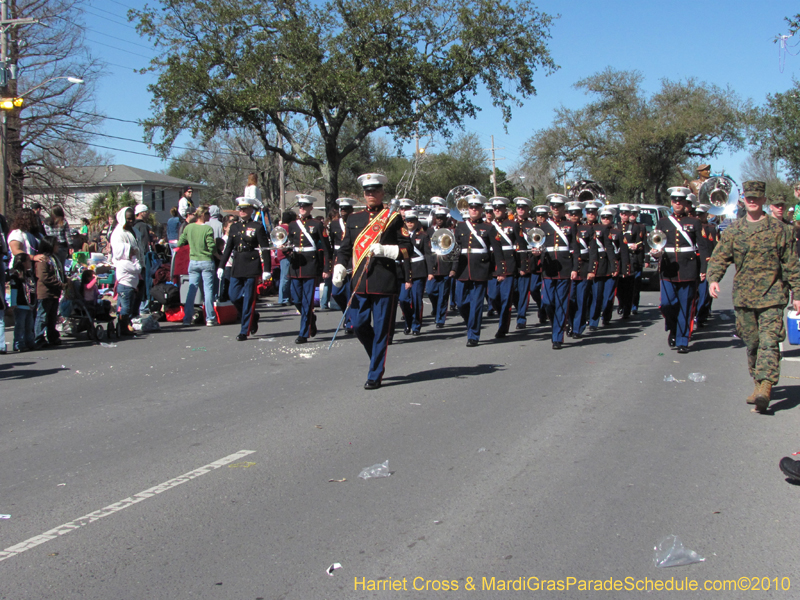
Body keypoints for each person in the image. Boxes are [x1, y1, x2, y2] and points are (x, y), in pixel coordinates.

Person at [707, 180, 800, 413]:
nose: (752, 201)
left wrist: (797, 293)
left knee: (770, 342)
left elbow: (791, 264)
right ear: (744, 199)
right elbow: (719, 257)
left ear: (763, 201)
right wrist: (714, 279)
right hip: (744, 298)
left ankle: (765, 387)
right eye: (749, 197)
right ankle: (758, 382)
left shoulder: (780, 230)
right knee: (753, 343)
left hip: (773, 296)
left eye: (757, 198)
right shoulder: (735, 230)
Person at [334, 173, 411, 389]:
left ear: (382, 192)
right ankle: (376, 358)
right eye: (367, 191)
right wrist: (339, 265)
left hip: (384, 282)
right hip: (359, 281)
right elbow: (345, 248)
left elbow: (408, 249)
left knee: (381, 331)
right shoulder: (354, 219)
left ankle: (375, 374)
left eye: (375, 191)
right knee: (358, 324)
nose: (371, 194)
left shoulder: (393, 217)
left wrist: (387, 250)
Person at [650, 187, 709, 354]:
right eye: (674, 200)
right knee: (667, 304)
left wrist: (703, 269)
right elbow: (657, 243)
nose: (677, 203)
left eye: (680, 200)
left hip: (688, 269)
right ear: (671, 202)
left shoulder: (694, 222)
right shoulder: (663, 222)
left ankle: (683, 339)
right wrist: (656, 254)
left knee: (686, 306)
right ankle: (673, 326)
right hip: (668, 269)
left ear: (685, 203)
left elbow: (703, 248)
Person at [450, 194, 504, 347]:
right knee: (460, 303)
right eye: (471, 207)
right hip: (462, 270)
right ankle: (470, 324)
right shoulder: (460, 226)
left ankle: (473, 335)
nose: (474, 210)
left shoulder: (489, 228)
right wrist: (453, 269)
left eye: (477, 207)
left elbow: (498, 251)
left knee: (476, 304)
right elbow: (456, 249)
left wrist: (500, 270)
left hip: (480, 270)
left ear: (481, 209)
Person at [219, 197, 271, 341]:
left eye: (244, 209)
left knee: (248, 299)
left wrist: (267, 269)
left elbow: (265, 249)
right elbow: (228, 247)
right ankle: (252, 316)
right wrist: (221, 266)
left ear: (251, 210)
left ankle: (244, 330)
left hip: (251, 264)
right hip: (237, 264)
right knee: (233, 296)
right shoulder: (234, 227)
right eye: (240, 209)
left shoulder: (257, 226)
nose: (241, 211)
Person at [285, 195, 330, 343]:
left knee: (306, 301)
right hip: (296, 265)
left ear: (311, 207)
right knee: (296, 298)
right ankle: (311, 318)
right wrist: (286, 250)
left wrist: (326, 268)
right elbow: (289, 244)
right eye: (300, 206)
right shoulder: (292, 225)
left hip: (310, 266)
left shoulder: (316, 224)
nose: (302, 208)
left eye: (305, 206)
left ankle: (303, 333)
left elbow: (325, 248)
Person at [537, 194, 578, 349]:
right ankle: (557, 325)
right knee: (547, 303)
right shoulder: (543, 226)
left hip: (565, 268)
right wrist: (536, 253)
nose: (555, 208)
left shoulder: (570, 225)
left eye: (558, 206)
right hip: (548, 270)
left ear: (563, 208)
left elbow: (575, 249)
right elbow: (539, 246)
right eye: (553, 205)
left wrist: (575, 268)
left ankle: (557, 337)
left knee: (561, 303)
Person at [178, 207, 218, 327]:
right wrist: (216, 254)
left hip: (193, 261)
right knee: (208, 290)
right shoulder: (207, 229)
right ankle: (210, 317)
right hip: (206, 261)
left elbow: (180, 242)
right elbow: (211, 246)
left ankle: (187, 317)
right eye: (208, 214)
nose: (209, 217)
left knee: (192, 289)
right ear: (203, 215)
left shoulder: (188, 227)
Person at [487, 197, 518, 337]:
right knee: (492, 297)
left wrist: (522, 266)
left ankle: (503, 327)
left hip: (509, 266)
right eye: (495, 208)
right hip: (492, 266)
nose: (497, 210)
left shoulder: (513, 225)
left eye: (500, 208)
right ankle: (502, 316)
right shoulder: (488, 226)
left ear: (505, 209)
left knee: (506, 299)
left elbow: (520, 246)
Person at [110, 207, 142, 336]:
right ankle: (123, 324)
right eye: (128, 219)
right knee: (125, 302)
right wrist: (130, 249)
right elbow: (117, 250)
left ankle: (129, 321)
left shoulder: (134, 230)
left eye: (132, 219)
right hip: (125, 268)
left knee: (134, 299)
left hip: (136, 264)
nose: (131, 221)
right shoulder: (118, 232)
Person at [567, 200, 597, 338]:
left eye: (576, 214)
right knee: (570, 299)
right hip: (569, 269)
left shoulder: (587, 229)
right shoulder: (564, 229)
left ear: (580, 215)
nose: (574, 216)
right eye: (571, 214)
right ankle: (570, 323)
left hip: (584, 268)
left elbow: (593, 252)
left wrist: (592, 270)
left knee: (581, 299)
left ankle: (578, 328)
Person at [424, 206, 454, 329]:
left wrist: (453, 268)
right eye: (438, 217)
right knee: (430, 291)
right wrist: (429, 269)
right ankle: (436, 308)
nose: (440, 220)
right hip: (433, 268)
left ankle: (440, 319)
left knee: (443, 295)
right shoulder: (430, 231)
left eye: (442, 218)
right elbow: (427, 251)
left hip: (445, 267)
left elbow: (454, 252)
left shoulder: (450, 232)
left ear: (445, 218)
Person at [398, 209, 427, 336]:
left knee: (416, 300)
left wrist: (431, 271)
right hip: (404, 269)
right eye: (407, 221)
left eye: (412, 221)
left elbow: (428, 254)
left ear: (416, 221)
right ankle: (408, 322)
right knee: (403, 299)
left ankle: (416, 325)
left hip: (418, 269)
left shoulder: (423, 236)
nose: (409, 223)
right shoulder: (400, 235)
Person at [33, 236, 65, 348]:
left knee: (52, 317)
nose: (58, 247)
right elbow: (44, 277)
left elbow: (59, 273)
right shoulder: (43, 260)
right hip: (45, 292)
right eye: (56, 245)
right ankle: (39, 338)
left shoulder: (54, 259)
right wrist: (60, 284)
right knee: (42, 316)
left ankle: (52, 336)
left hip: (54, 292)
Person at [329, 199, 355, 331]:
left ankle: (350, 321)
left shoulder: (355, 223)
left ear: (351, 210)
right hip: (338, 261)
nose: (343, 211)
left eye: (346, 209)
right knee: (336, 292)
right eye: (341, 209)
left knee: (351, 292)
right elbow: (331, 245)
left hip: (352, 260)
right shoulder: (334, 224)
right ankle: (348, 313)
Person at [9, 253, 36, 351]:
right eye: (28, 261)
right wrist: (13, 303)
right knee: (20, 326)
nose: (30, 263)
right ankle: (18, 344)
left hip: (29, 304)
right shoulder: (15, 275)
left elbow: (32, 288)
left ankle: (30, 342)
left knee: (29, 325)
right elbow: (14, 289)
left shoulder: (29, 274)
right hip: (20, 305)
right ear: (23, 263)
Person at [276, 211, 296, 306]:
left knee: (284, 276)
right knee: (286, 277)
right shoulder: (287, 228)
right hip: (286, 254)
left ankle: (285, 297)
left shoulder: (279, 228)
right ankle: (283, 299)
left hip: (281, 253)